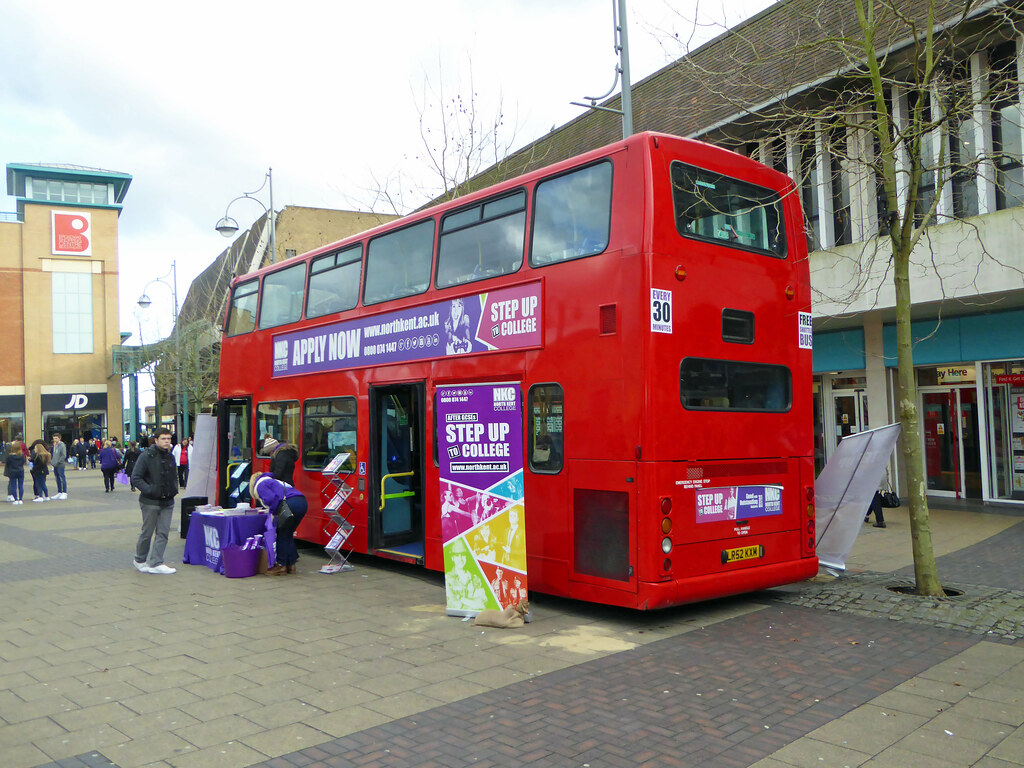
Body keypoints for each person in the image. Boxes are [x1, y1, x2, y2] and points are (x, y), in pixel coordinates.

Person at [130, 427, 179, 574]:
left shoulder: (170, 456)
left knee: (163, 532)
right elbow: (135, 477)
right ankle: (140, 559)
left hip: (168, 501)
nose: (167, 441)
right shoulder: (146, 456)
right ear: (156, 440)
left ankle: (157, 562)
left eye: (169, 439)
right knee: (147, 532)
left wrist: (174, 489)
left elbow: (173, 475)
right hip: (150, 501)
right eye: (163, 439)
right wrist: (150, 490)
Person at [250, 471, 307, 575]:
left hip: (290, 503)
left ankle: (281, 566)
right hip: (302, 502)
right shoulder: (273, 481)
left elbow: (272, 498)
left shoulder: (260, 485)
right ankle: (291, 565)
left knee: (281, 534)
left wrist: (272, 513)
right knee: (288, 534)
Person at [50, 434, 68, 500]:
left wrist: (58, 462)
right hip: (55, 465)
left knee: (62, 478)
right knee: (57, 478)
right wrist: (52, 462)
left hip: (60, 465)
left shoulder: (62, 445)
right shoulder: (55, 445)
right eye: (54, 438)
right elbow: (53, 454)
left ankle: (64, 492)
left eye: (56, 438)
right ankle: (59, 492)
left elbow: (63, 455)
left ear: (59, 438)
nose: (55, 440)